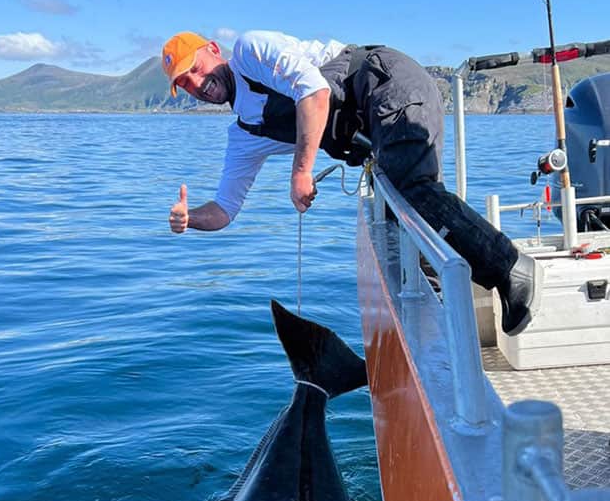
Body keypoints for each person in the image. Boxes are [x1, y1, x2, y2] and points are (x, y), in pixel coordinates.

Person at [161, 29, 542, 335]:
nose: (197, 83)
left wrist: (301, 171)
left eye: (195, 69)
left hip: (386, 83)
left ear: (213, 49)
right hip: (373, 129)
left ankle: (510, 268)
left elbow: (314, 91)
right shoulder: (245, 131)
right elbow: (225, 209)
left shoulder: (249, 52)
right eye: (185, 83)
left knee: (411, 192)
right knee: (399, 227)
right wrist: (190, 219)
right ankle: (435, 327)